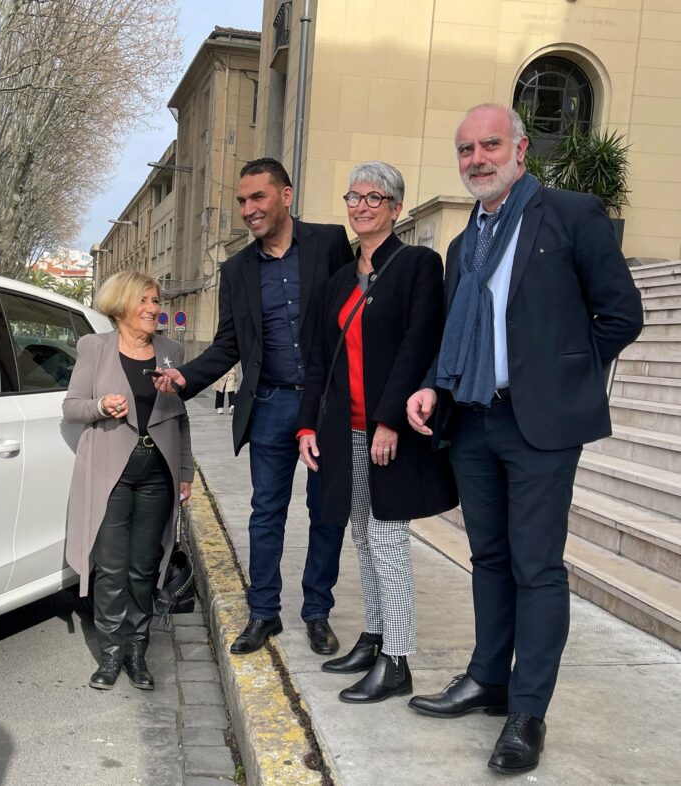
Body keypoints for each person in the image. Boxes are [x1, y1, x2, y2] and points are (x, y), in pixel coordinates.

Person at [405, 104, 643, 774]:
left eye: (489, 145)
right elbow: (456, 333)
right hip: (474, 418)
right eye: (465, 150)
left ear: (521, 148)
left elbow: (621, 313)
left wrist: (561, 372)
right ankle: (488, 678)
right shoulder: (462, 244)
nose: (477, 159)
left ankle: (528, 712)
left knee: (536, 567)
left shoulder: (569, 214)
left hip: (538, 425)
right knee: (488, 559)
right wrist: (432, 385)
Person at [153, 158, 353, 656]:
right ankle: (264, 613)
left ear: (285, 196)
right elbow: (228, 345)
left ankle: (317, 612)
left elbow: (353, 318)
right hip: (269, 406)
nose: (248, 209)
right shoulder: (236, 269)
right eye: (242, 201)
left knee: (326, 513)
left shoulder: (329, 244)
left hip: (326, 408)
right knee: (266, 514)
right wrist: (186, 376)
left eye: (257, 198)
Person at [296, 162, 457, 704]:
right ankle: (375, 634)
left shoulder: (416, 265)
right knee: (361, 538)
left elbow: (419, 343)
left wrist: (390, 418)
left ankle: (398, 660)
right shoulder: (340, 279)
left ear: (394, 206)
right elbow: (320, 359)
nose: (361, 205)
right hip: (347, 432)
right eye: (353, 196)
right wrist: (306, 425)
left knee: (388, 542)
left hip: (390, 430)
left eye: (374, 197)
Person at [63, 270, 193, 691]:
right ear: (122, 306)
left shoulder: (171, 350)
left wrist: (186, 473)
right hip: (109, 475)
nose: (154, 309)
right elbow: (72, 407)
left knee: (144, 567)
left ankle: (137, 649)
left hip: (158, 474)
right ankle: (111, 652)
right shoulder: (94, 347)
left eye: (156, 301)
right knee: (112, 568)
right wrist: (101, 404)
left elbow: (182, 418)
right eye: (146, 301)